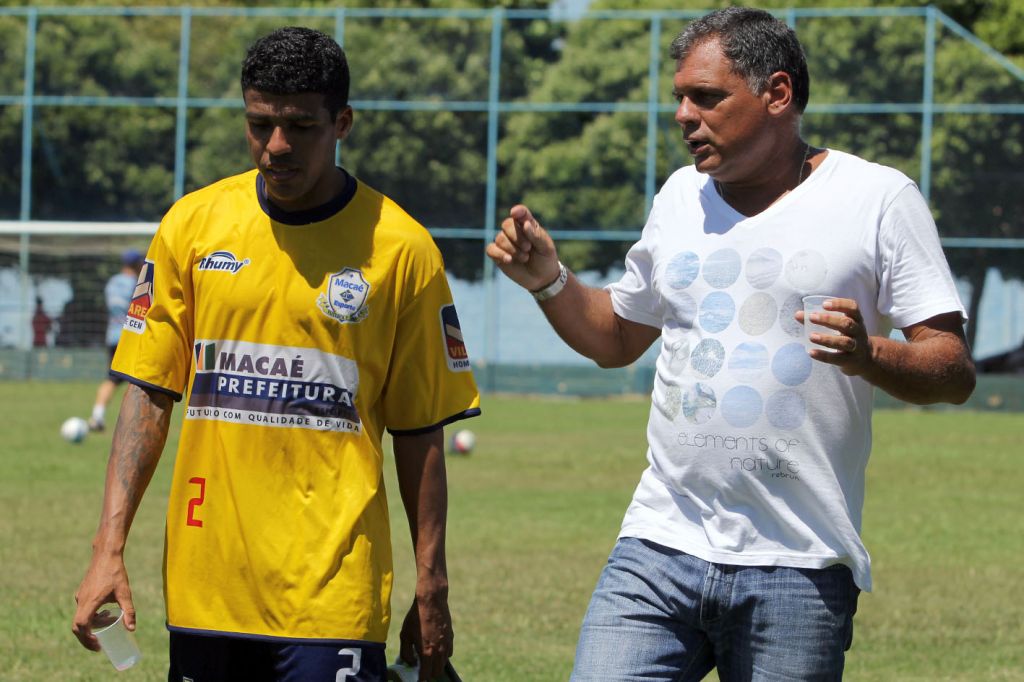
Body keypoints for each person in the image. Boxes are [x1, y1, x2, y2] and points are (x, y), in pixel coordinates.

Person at [487, 7, 975, 680]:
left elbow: (951, 368)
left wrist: (869, 355)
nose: (684, 115)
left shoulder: (878, 199)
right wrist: (549, 281)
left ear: (777, 94)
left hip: (799, 562)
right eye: (680, 98)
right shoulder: (680, 197)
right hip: (659, 544)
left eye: (707, 97)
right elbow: (618, 336)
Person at [72, 27, 480, 681]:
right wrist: (106, 548)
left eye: (301, 126)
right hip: (207, 586)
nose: (277, 146)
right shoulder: (192, 227)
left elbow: (420, 428)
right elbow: (148, 392)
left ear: (342, 122)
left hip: (334, 590)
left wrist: (431, 585)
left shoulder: (403, 251)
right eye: (260, 124)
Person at [87, 249, 144, 431]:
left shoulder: (112, 283)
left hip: (112, 335)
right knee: (138, 382)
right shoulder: (137, 284)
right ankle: (133, 422)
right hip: (131, 336)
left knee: (111, 379)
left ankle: (97, 416)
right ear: (136, 264)